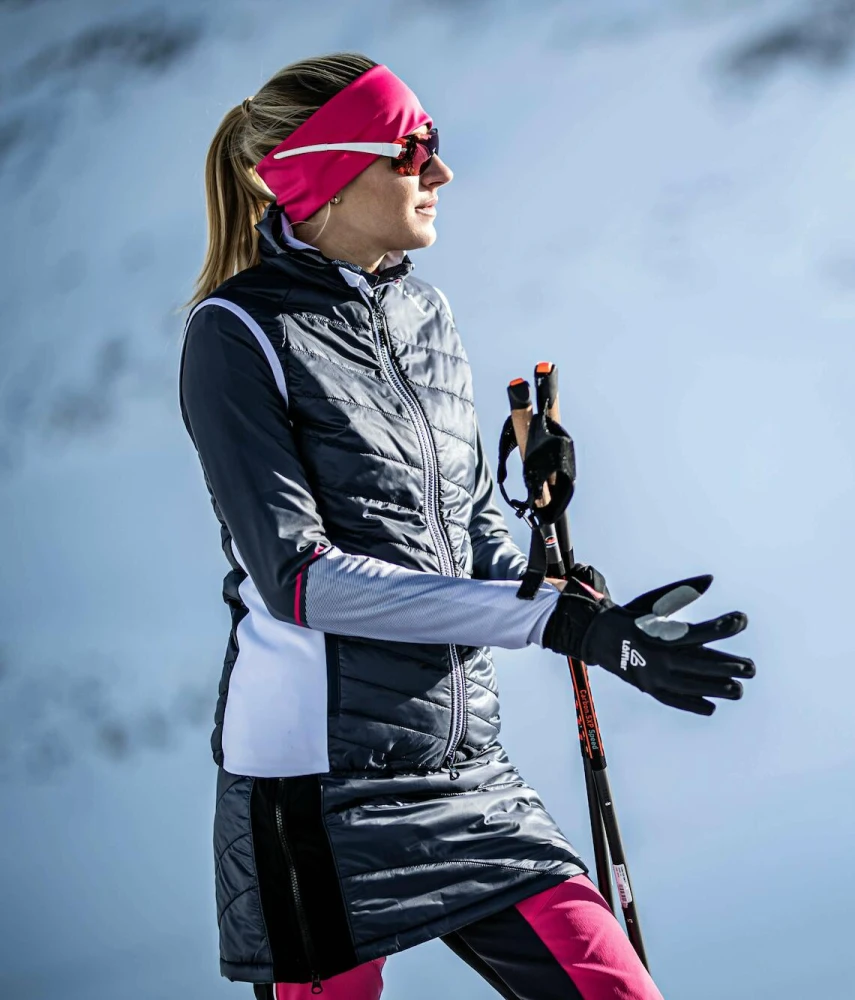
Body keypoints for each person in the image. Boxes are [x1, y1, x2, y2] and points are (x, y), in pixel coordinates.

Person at [179, 54, 754, 999]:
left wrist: (564, 583)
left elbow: (472, 540)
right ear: (326, 172)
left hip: (463, 769)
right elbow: (301, 582)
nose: (441, 171)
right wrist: (549, 620)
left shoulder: (424, 314)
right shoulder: (237, 334)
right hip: (315, 790)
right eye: (413, 150)